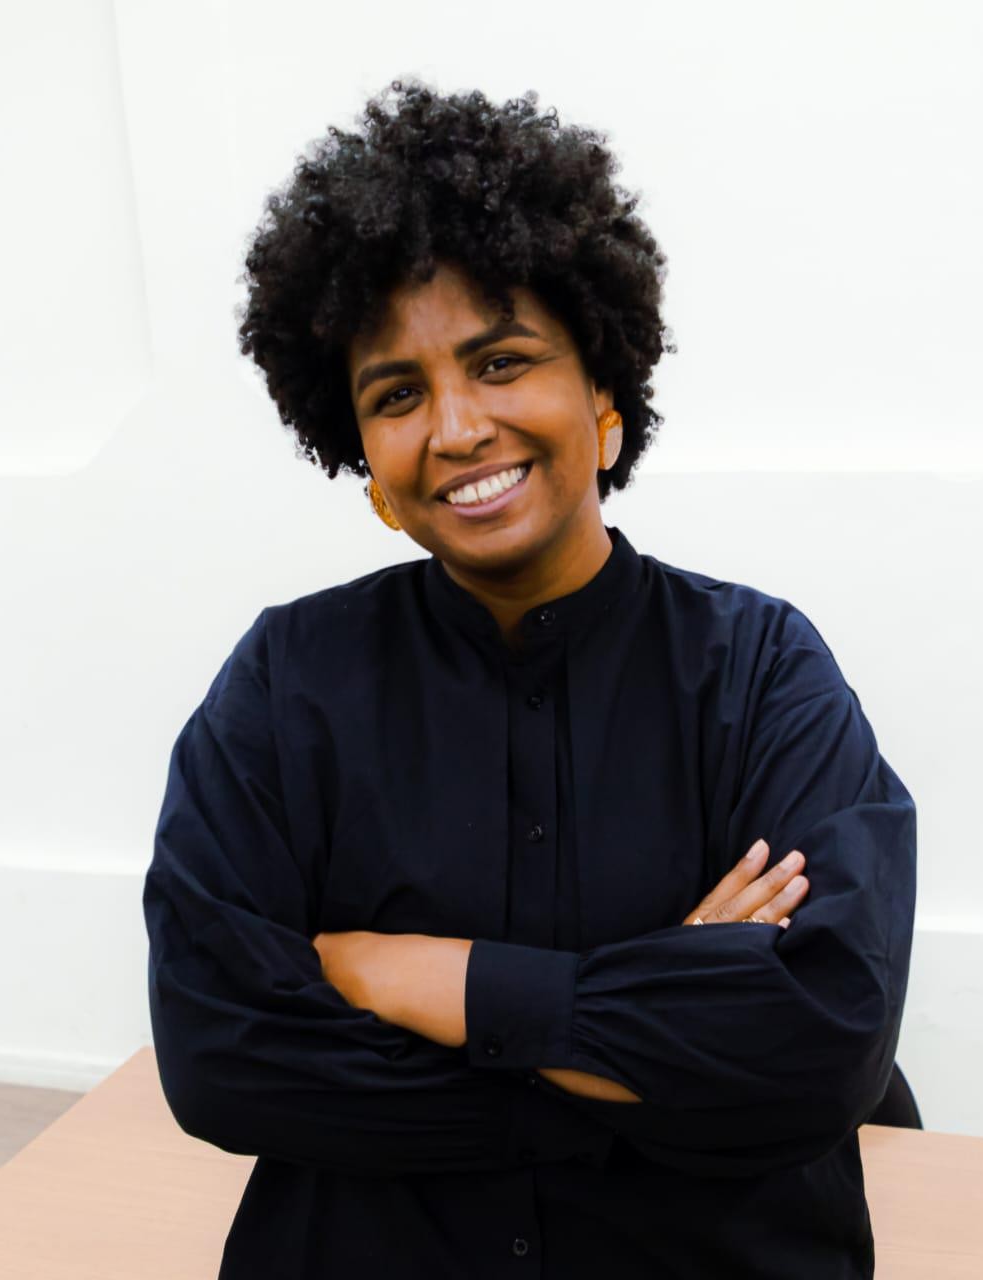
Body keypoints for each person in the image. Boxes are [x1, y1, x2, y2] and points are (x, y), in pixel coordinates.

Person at [143, 79, 916, 1278]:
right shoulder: (285, 687)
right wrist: (652, 1045)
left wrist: (425, 978)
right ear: (369, 466)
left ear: (603, 393)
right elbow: (223, 1058)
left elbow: (822, 1043)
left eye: (501, 361)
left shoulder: (762, 671)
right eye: (397, 394)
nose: (456, 427)